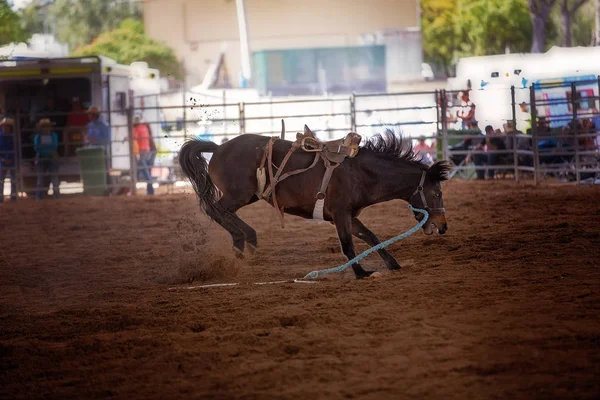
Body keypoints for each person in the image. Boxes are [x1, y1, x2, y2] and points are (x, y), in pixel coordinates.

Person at [34, 118, 60, 200]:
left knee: (54, 178)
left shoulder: (53, 135)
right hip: (42, 158)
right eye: (44, 127)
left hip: (51, 157)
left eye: (47, 126)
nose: (46, 128)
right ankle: (39, 197)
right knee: (40, 178)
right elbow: (36, 148)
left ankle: (56, 196)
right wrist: (47, 147)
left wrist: (44, 147)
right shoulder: (38, 137)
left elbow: (54, 146)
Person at [133, 115, 154, 195]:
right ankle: (150, 191)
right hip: (147, 150)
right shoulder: (144, 127)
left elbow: (134, 138)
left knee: (145, 171)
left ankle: (150, 191)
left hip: (141, 151)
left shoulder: (136, 128)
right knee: (146, 171)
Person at [0, 118, 17, 203]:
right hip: (2, 161)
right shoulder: (0, 136)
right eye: (4, 126)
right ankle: (0, 198)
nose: (6, 128)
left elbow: (16, 148)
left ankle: (13, 197)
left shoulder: (13, 136)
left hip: (12, 160)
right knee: (1, 180)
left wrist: (10, 158)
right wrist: (3, 159)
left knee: (13, 179)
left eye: (7, 126)